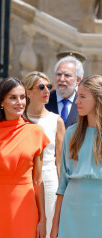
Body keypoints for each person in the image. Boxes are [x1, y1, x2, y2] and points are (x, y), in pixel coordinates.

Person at [0, 77, 50, 238]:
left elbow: (38, 180)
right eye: (13, 97)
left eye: (22, 97)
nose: (19, 102)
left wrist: (42, 218)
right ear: (1, 102)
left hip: (26, 207)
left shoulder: (36, 132)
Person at [51, 75, 102, 238]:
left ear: (98, 100)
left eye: (82, 96)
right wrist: (55, 225)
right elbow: (63, 184)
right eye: (77, 96)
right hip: (72, 209)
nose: (76, 101)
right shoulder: (71, 133)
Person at [23, 71, 65, 238]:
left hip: (48, 182)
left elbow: (60, 161)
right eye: (41, 87)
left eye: (49, 86)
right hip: (22, 181)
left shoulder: (57, 121)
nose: (47, 91)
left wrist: (62, 192)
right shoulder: (19, 118)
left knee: (47, 231)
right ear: (28, 92)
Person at [46, 55, 84, 128]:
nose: (62, 79)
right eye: (59, 74)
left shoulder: (84, 102)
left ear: (78, 80)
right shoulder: (44, 100)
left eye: (67, 75)